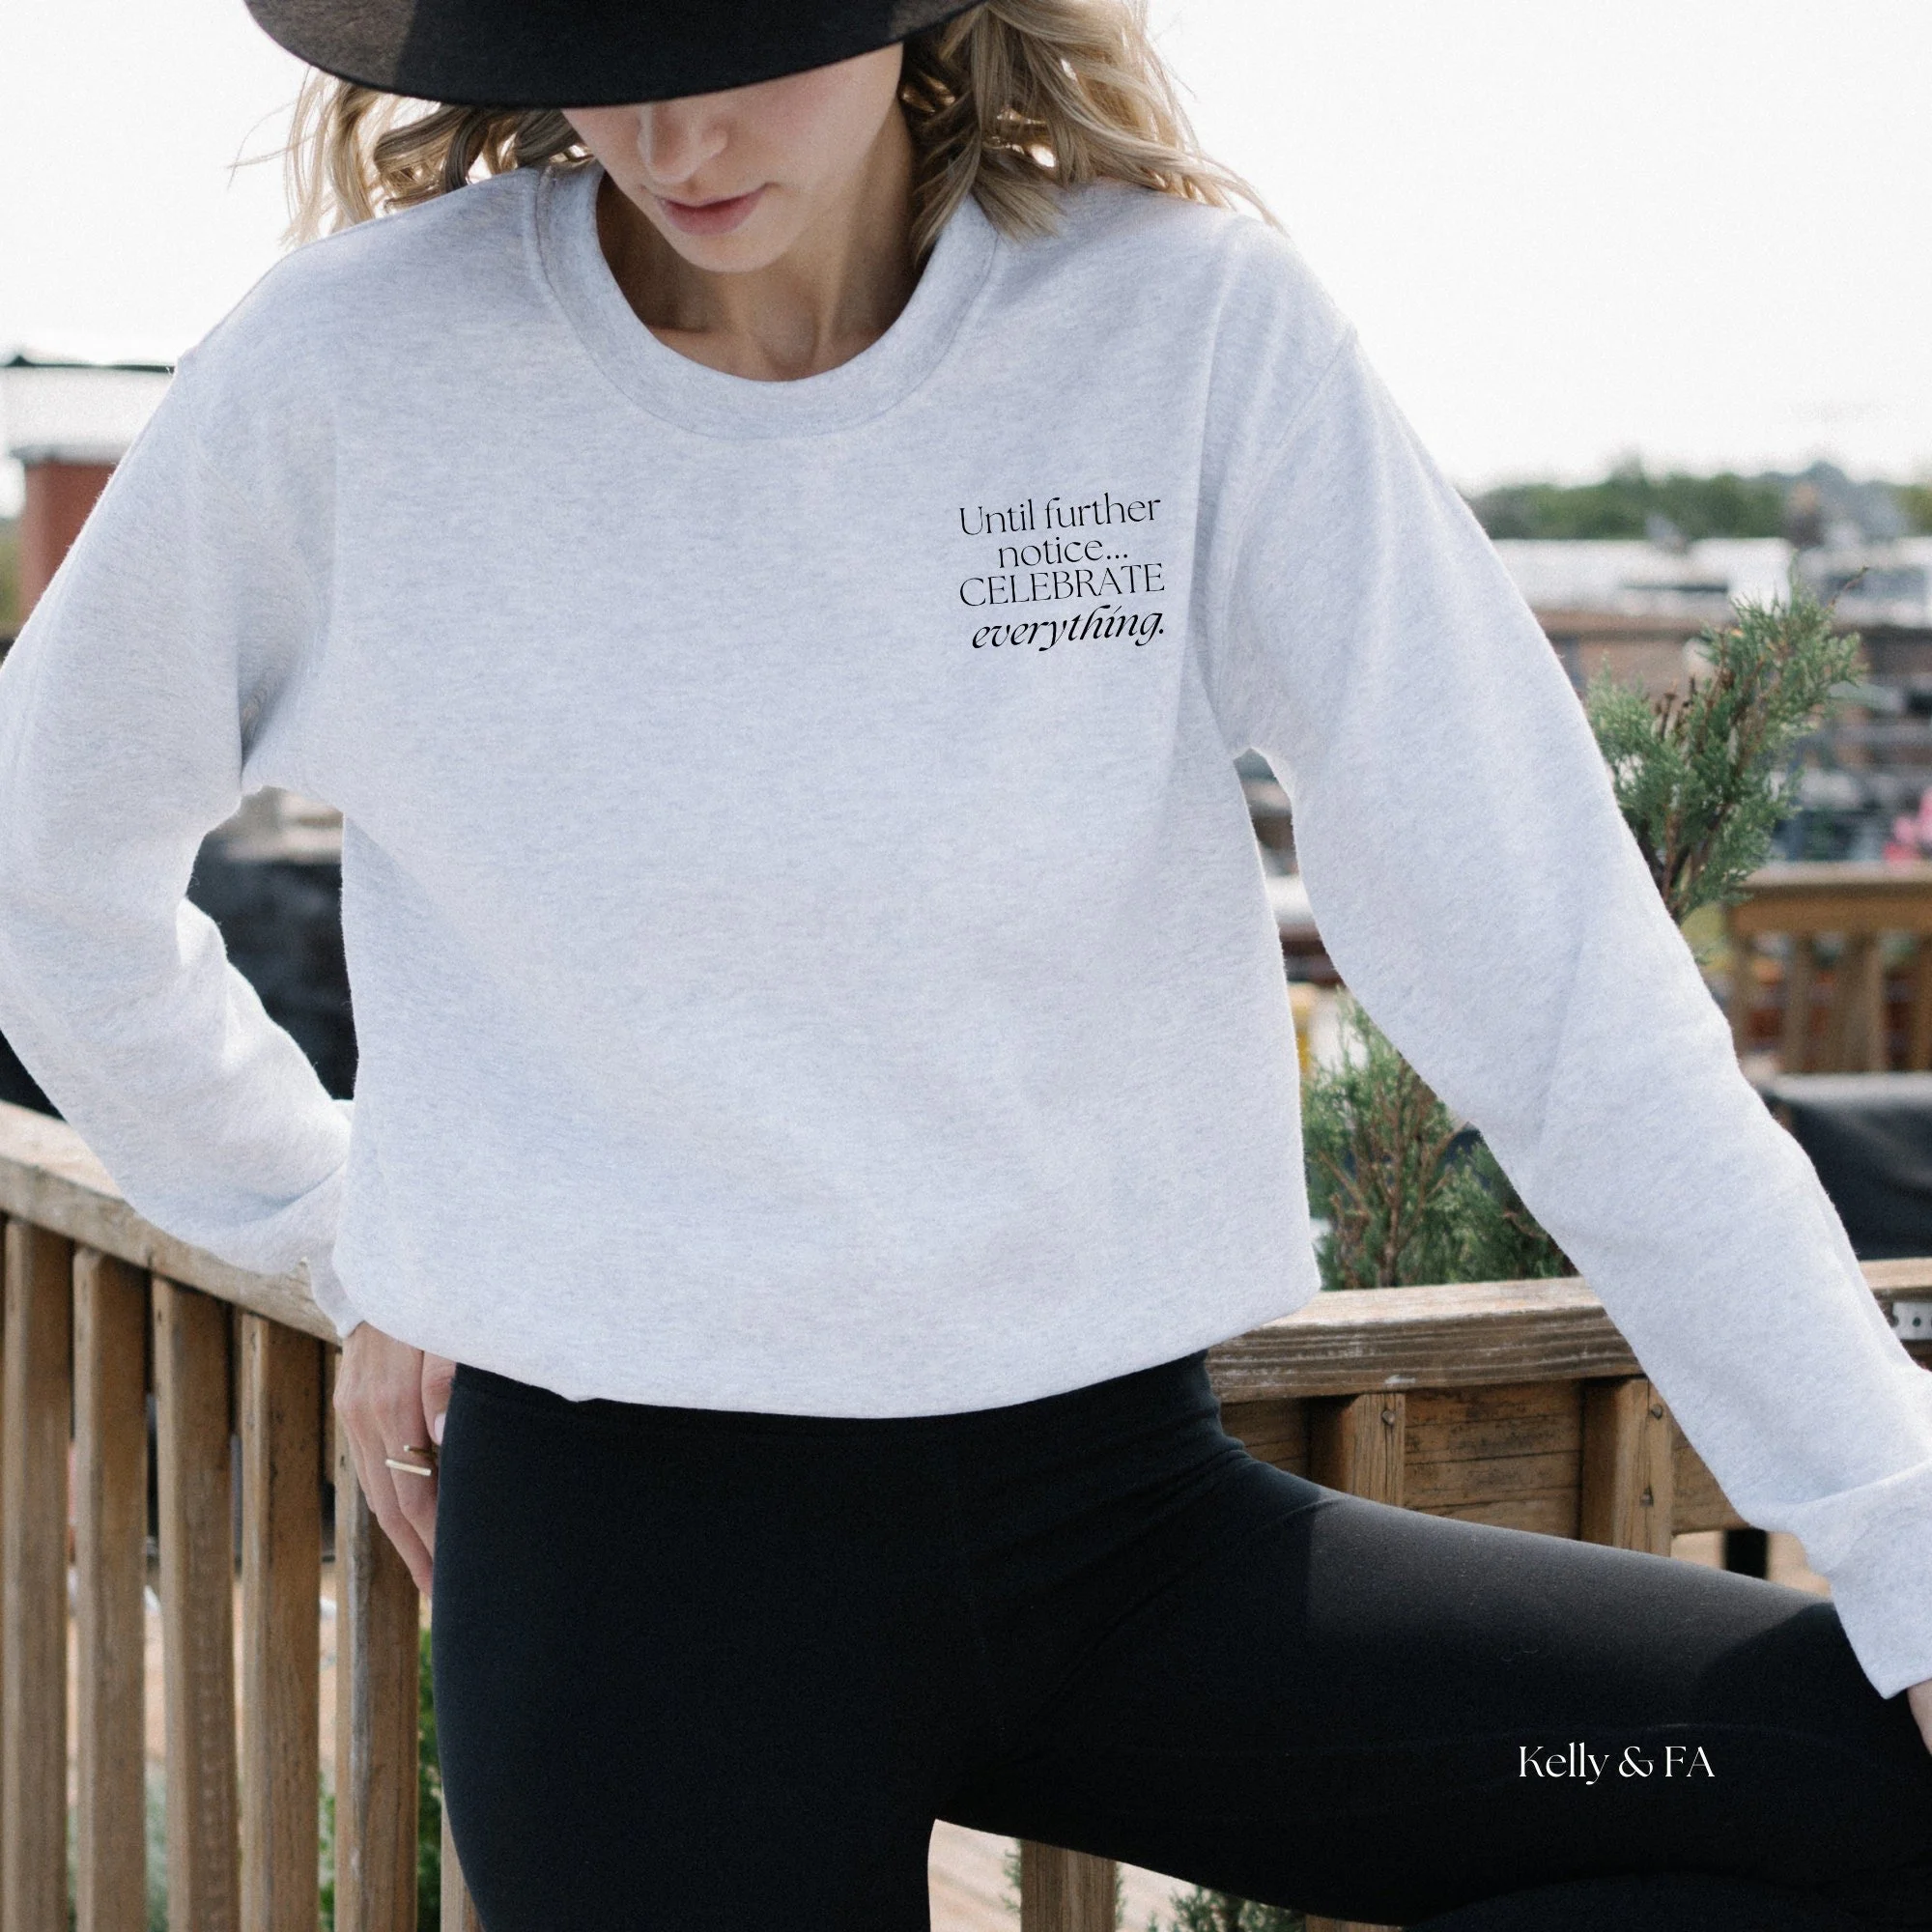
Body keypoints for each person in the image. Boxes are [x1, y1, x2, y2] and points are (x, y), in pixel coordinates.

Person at [0, 2, 1927, 1925]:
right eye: (609, 46)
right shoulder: (358, 369)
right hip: (636, 1601)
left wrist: (1909, 1549)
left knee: (1852, 1799)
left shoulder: (1180, 334)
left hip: (1127, 1532)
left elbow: (1556, 979)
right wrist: (355, 1228)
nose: (675, 136)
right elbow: (42, 871)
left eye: (744, 39)